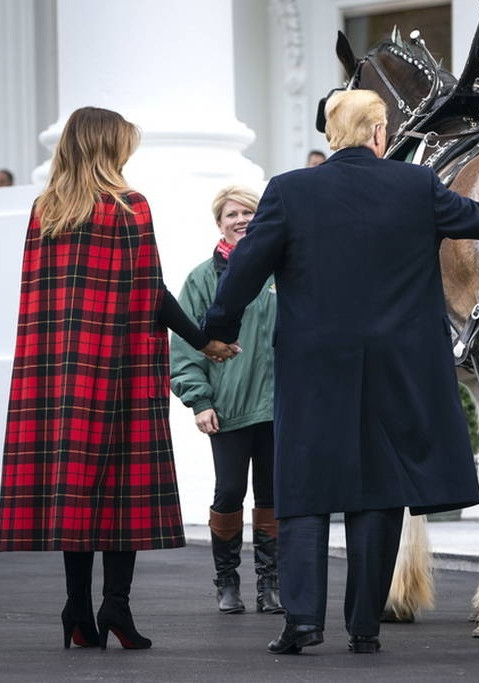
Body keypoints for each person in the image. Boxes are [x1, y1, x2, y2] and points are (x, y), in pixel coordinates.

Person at [201, 89, 479, 655]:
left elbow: (245, 271)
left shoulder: (289, 191)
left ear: (331, 135)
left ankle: (301, 622)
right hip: (398, 367)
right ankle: (364, 627)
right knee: (377, 491)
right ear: (380, 134)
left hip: (313, 367)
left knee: (303, 490)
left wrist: (220, 330)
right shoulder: (415, 185)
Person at [0, 106, 232, 651]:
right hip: (119, 369)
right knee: (124, 488)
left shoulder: (44, 210)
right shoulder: (130, 208)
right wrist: (204, 341)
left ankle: (77, 610)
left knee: (77, 489)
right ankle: (116, 609)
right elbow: (152, 292)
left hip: (59, 374)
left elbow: (40, 300)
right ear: (108, 147)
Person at [171, 185, 283, 616]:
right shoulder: (202, 278)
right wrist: (198, 401)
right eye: (232, 214)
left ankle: (269, 585)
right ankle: (227, 580)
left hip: (277, 407)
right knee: (230, 491)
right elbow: (184, 345)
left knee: (272, 495)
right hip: (228, 409)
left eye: (249, 213)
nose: (241, 220)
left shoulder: (280, 271)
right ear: (219, 223)